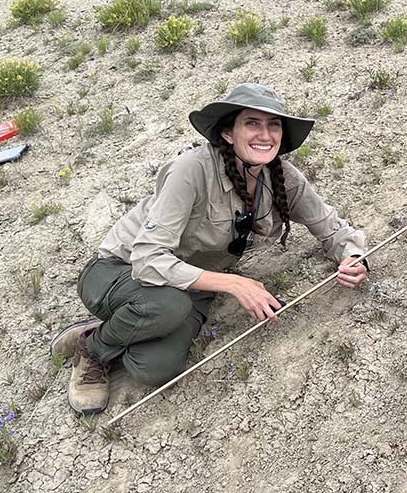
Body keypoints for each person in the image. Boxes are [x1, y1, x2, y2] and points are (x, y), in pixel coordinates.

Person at [51, 84, 368, 415]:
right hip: (119, 271)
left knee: (156, 368)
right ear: (228, 133)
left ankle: (115, 328)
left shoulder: (282, 177)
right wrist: (234, 283)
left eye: (273, 125)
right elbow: (147, 259)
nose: (265, 135)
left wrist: (352, 258)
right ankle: (93, 349)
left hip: (190, 283)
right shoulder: (191, 170)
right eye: (252, 123)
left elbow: (333, 229)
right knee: (168, 306)